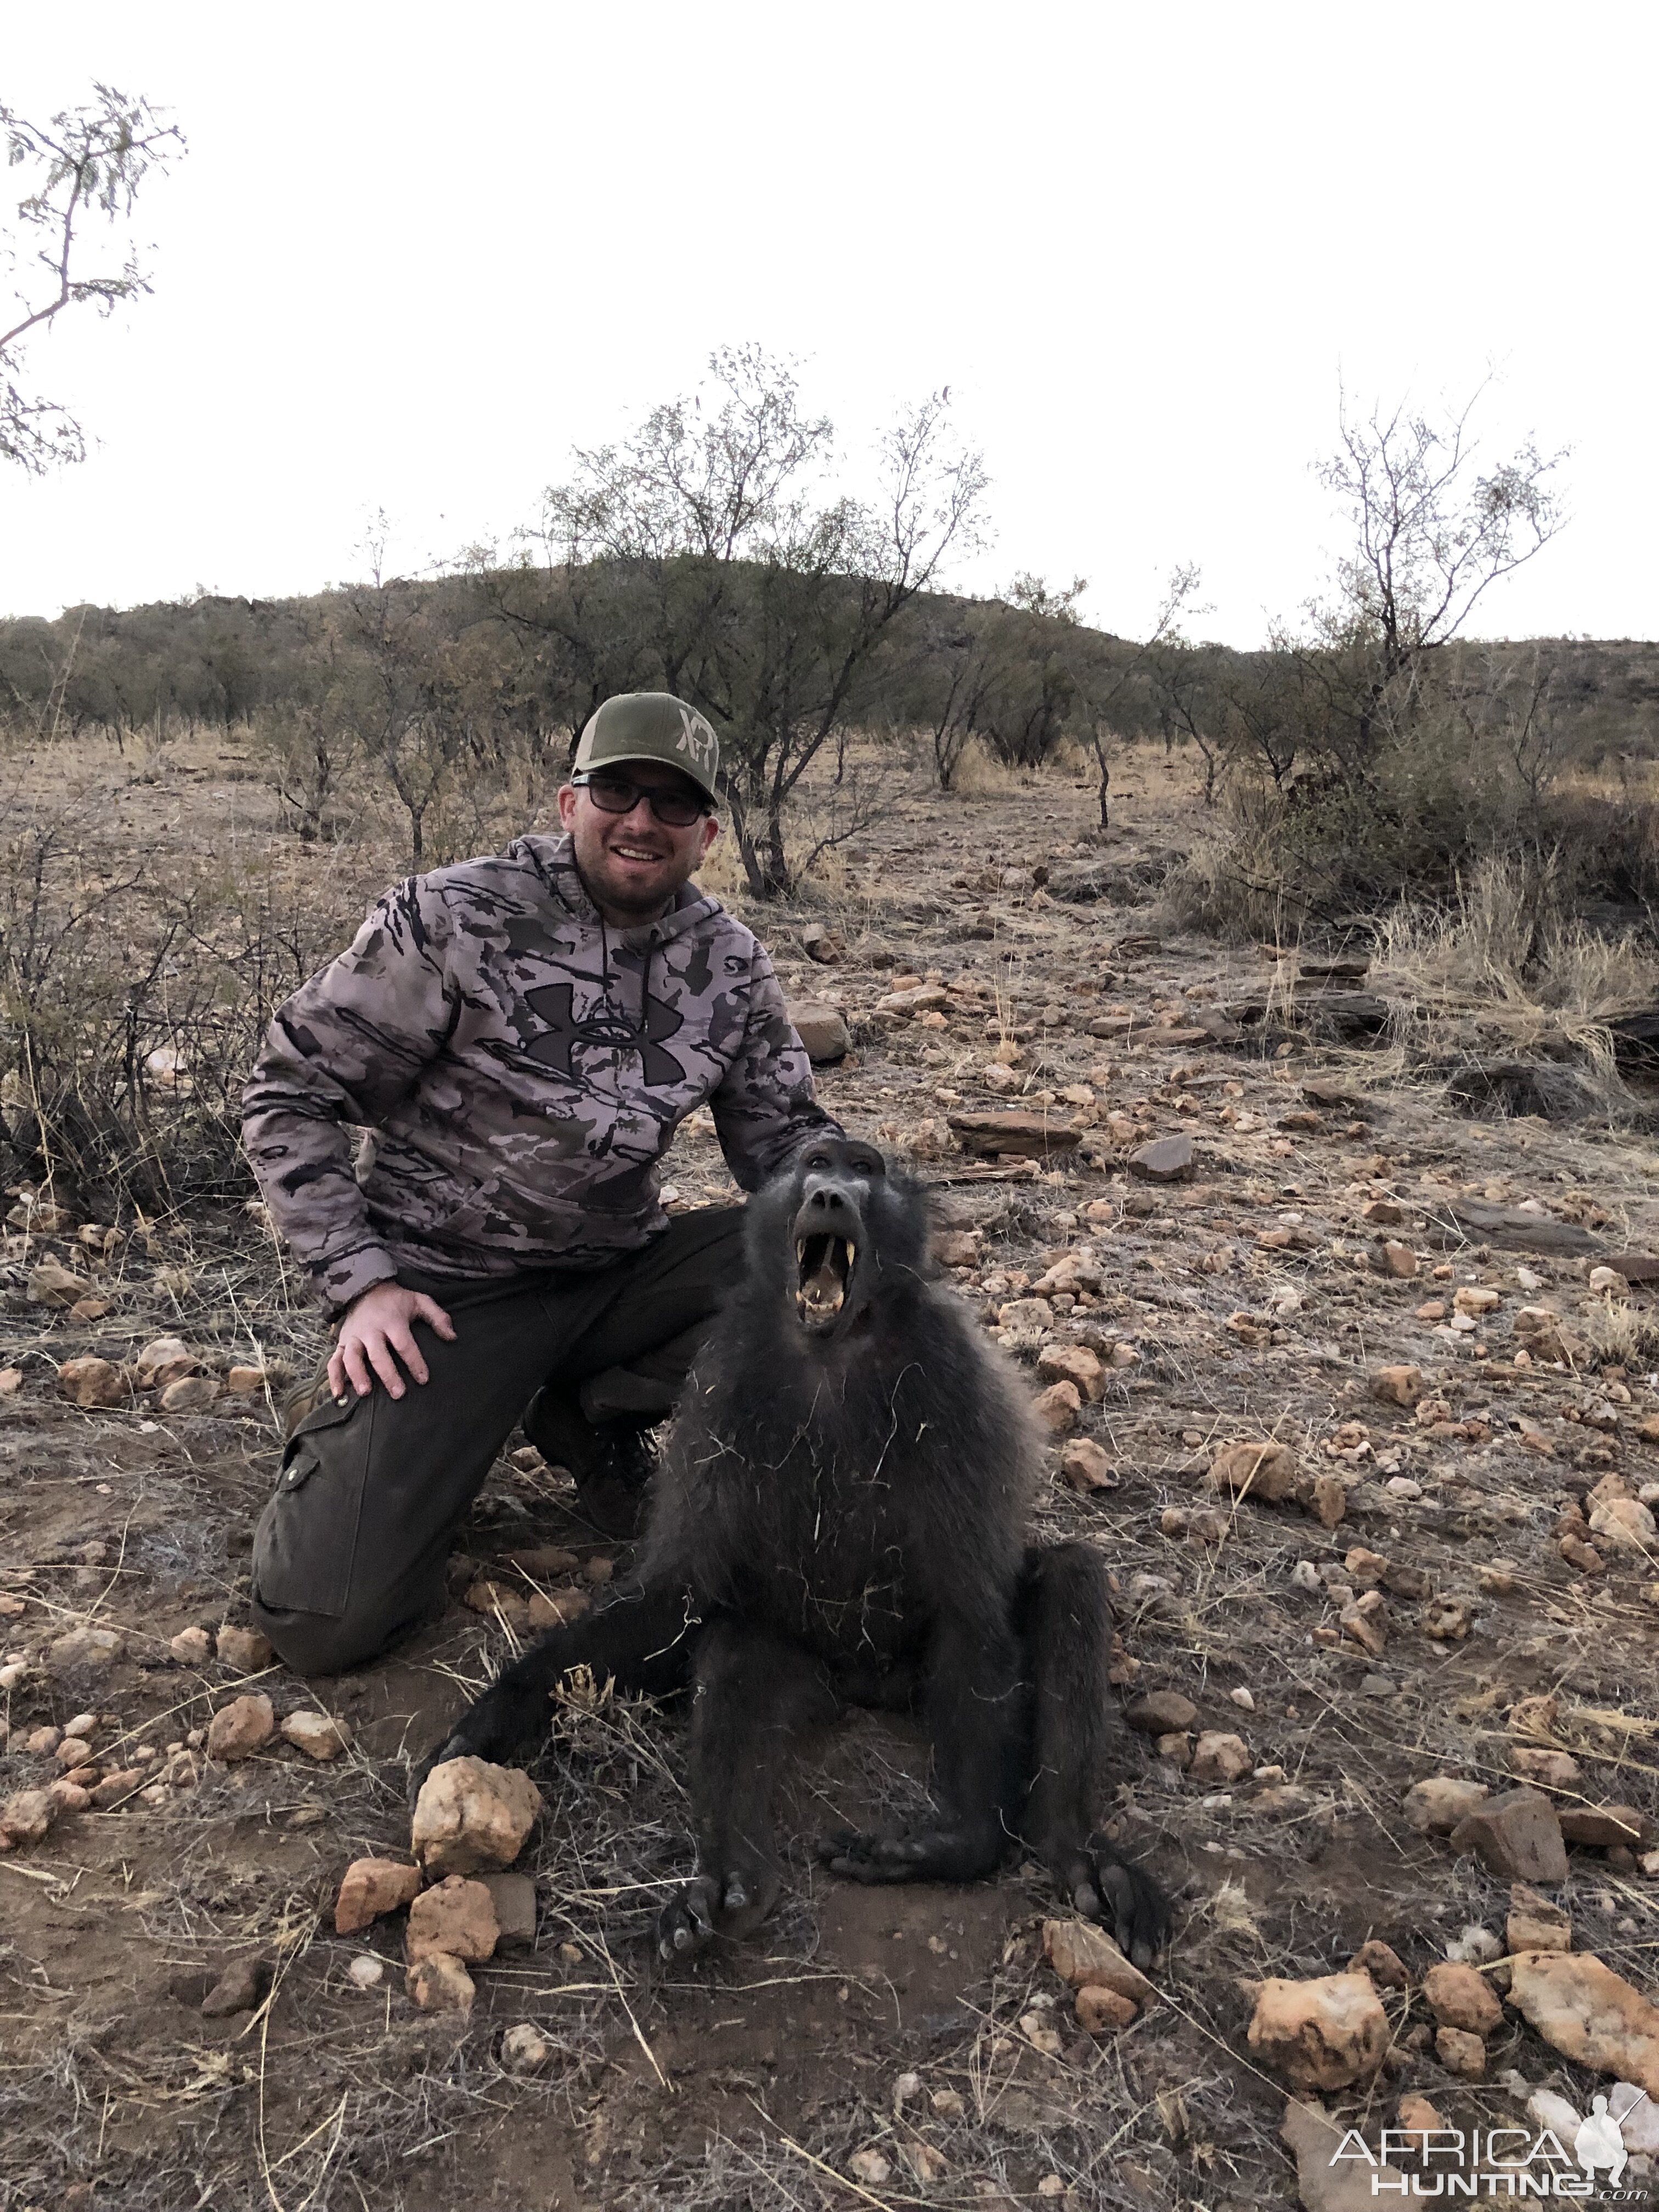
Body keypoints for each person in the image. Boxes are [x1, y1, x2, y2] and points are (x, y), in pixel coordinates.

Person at [241, 691, 839, 1674]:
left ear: (708, 834)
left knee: (817, 1260)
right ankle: (365, 1442)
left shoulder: (730, 963)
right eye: (618, 790)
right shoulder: (452, 916)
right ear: (570, 802)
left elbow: (784, 1141)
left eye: (674, 803)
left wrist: (856, 1224)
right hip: (445, 1294)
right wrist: (360, 1282)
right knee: (322, 1622)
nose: (642, 820)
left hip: (613, 1274)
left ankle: (589, 1409)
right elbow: (289, 1091)